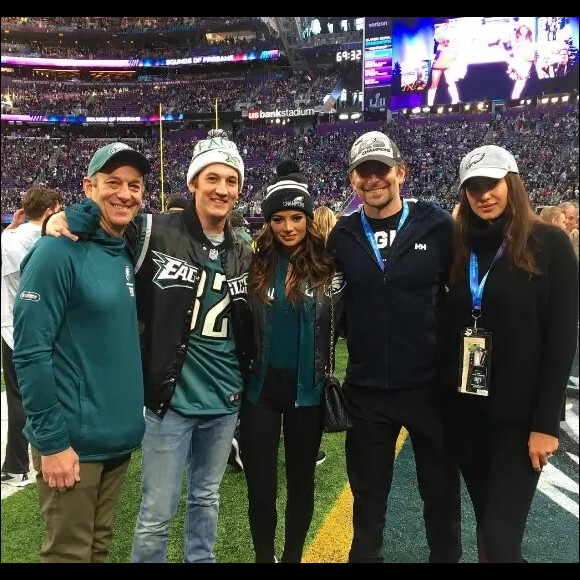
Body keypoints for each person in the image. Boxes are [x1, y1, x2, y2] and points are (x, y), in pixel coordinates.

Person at [44, 129, 254, 563]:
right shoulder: (151, 229)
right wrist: (60, 219)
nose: (222, 188)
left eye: (231, 180)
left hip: (224, 400)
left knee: (207, 499)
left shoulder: (244, 251)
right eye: (212, 178)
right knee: (156, 513)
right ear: (193, 183)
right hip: (169, 400)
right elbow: (102, 224)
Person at [326, 131, 462, 563]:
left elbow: (462, 292)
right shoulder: (343, 236)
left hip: (429, 391)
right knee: (368, 507)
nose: (373, 180)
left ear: (400, 172)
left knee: (441, 501)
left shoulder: (437, 224)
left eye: (381, 170)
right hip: (366, 394)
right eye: (363, 173)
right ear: (353, 181)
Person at [439, 144, 578, 562]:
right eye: (473, 187)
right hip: (468, 415)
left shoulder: (550, 243)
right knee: (490, 532)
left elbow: (561, 341)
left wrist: (545, 424)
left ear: (512, 184)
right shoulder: (460, 246)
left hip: (519, 423)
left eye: (492, 184)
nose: (484, 195)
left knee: (499, 539)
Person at [13, 142, 150, 562]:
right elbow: (31, 351)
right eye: (113, 183)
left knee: (98, 548)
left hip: (115, 438)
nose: (124, 194)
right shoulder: (57, 251)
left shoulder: (123, 248)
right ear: (88, 186)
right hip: (73, 442)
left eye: (135, 185)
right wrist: (52, 442)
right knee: (69, 555)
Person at [241, 159, 341, 563]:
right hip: (259, 392)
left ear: (308, 218)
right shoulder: (252, 263)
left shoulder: (331, 266)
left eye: (296, 217)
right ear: (267, 222)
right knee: (261, 489)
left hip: (309, 393)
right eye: (278, 218)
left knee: (302, 486)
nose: (287, 227)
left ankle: (292, 559)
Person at [1, 187, 62, 487]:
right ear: (52, 208)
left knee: (20, 398)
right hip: (54, 328)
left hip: (14, 326)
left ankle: (17, 463)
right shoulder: (61, 238)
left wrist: (11, 227)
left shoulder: (8, 238)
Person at [427, 21, 464, 106]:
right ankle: (430, 104)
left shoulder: (453, 43)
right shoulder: (439, 44)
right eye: (445, 41)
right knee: (434, 85)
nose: (446, 42)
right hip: (438, 66)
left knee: (450, 82)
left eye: (447, 41)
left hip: (447, 65)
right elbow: (436, 54)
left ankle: (456, 100)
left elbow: (456, 52)